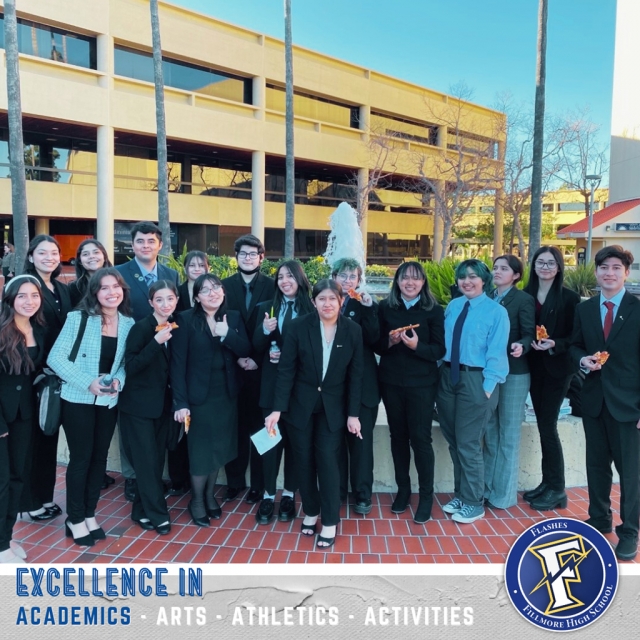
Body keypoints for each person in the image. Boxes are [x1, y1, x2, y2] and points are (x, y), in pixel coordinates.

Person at [265, 280, 363, 549]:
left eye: (333, 298)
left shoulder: (352, 331)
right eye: (322, 298)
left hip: (333, 410)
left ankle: (330, 520)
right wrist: (277, 410)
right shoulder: (298, 327)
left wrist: (353, 415)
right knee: (303, 461)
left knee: (328, 463)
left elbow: (356, 376)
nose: (327, 303)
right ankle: (311, 510)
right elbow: (286, 371)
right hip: (301, 407)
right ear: (314, 301)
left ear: (341, 301)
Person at [47, 268, 134, 546]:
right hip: (78, 399)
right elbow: (55, 358)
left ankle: (89, 513)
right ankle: (74, 518)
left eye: (116, 286)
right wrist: (88, 382)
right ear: (95, 292)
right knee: (81, 459)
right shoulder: (78, 318)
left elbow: (124, 364)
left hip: (108, 401)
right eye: (104, 288)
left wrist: (118, 382)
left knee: (99, 460)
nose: (112, 292)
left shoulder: (128, 323)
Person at [570, 245, 640, 561]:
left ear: (626, 272)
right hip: (594, 402)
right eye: (603, 267)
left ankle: (630, 532)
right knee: (596, 467)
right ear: (596, 272)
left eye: (616, 267)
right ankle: (599, 518)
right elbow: (574, 346)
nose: (609, 273)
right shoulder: (585, 310)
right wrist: (582, 360)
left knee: (631, 472)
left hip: (629, 407)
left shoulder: (637, 309)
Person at [171, 274, 251, 527]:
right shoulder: (184, 320)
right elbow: (177, 365)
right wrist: (180, 402)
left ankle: (209, 495)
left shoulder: (233, 317)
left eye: (217, 288)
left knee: (219, 447)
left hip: (226, 395)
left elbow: (245, 350)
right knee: (200, 450)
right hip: (197, 399)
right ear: (196, 297)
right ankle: (196, 500)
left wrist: (227, 334)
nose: (213, 293)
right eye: (205, 290)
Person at [437, 259, 509, 524]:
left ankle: (474, 502)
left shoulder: (496, 312)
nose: (467, 281)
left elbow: (497, 352)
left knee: (468, 444)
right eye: (462, 277)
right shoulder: (454, 307)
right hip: (448, 378)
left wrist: (487, 389)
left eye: (472, 276)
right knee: (455, 442)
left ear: (483, 279)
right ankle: (461, 494)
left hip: (476, 381)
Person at [377, 262, 445, 524]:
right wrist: (390, 342)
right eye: (405, 278)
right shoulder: (386, 308)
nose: (410, 282)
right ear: (397, 281)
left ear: (423, 282)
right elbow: (377, 345)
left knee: (421, 439)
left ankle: (426, 496)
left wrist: (418, 346)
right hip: (392, 382)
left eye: (416, 279)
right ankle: (403, 490)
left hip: (422, 384)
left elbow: (439, 350)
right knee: (398, 437)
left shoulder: (433, 310)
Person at [116, 222, 179, 501]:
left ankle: (153, 478)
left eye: (150, 241)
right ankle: (132, 477)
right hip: (132, 349)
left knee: (156, 422)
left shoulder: (171, 274)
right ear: (133, 245)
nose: (145, 246)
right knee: (132, 421)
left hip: (163, 351)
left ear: (160, 245)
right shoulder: (120, 274)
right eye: (140, 241)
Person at [252, 260, 314, 525]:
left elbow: (316, 350)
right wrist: (265, 335)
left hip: (300, 389)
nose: (285, 281)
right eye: (280, 277)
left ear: (300, 279)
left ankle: (289, 493)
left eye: (290, 276)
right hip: (271, 387)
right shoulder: (266, 309)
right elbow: (254, 346)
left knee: (294, 444)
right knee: (270, 443)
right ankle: (268, 495)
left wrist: (289, 357)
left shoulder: (311, 310)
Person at [119, 281, 178, 536]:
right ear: (151, 302)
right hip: (138, 407)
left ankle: (140, 511)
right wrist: (155, 342)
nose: (166, 304)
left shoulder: (177, 327)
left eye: (170, 299)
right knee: (146, 461)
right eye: (160, 300)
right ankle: (158, 514)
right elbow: (130, 366)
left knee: (155, 462)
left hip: (163, 406)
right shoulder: (141, 328)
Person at [523, 246, 580, 511]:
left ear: (559, 267)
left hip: (558, 370)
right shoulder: (525, 295)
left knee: (548, 425)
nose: (545, 267)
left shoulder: (569, 298)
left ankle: (557, 489)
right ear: (533, 266)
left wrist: (554, 343)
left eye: (551, 263)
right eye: (540, 262)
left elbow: (576, 338)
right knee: (545, 426)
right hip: (534, 369)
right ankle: (548, 484)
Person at [21, 235, 72, 522]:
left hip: (56, 373)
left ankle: (43, 496)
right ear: (31, 256)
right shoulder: (27, 287)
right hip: (34, 371)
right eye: (43, 253)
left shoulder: (61, 288)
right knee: (31, 440)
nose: (49, 257)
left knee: (48, 434)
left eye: (54, 252)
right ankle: (28, 503)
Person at [221, 235, 275, 504]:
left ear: (261, 258)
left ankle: (259, 485)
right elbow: (218, 324)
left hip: (262, 369)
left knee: (260, 428)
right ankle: (234, 481)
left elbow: (276, 327)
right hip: (233, 368)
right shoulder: (223, 286)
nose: (248, 258)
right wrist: (239, 356)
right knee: (235, 427)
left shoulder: (273, 286)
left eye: (253, 254)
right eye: (243, 253)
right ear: (236, 256)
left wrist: (255, 357)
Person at [483, 255, 535, 509]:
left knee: (509, 433)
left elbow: (528, 334)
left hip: (514, 372)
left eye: (504, 268)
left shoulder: (523, 300)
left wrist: (521, 346)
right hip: (488, 372)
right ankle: (487, 487)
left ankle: (503, 496)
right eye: (495, 268)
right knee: (490, 430)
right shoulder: (486, 297)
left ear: (516, 275)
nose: (497, 272)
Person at [0, 275, 45, 563]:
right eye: (22, 296)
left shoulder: (39, 328)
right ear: (10, 299)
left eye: (35, 295)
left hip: (25, 416)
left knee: (18, 478)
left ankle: (6, 537)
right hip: (1, 418)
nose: (29, 301)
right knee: (2, 481)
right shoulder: (2, 329)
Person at [332, 258, 380, 515]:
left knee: (361, 444)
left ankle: (362, 494)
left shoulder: (366, 304)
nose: (348, 280)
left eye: (353, 276)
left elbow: (374, 339)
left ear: (359, 280)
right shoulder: (326, 302)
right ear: (334, 276)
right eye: (343, 275)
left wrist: (371, 309)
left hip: (364, 384)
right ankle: (338, 491)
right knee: (335, 442)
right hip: (334, 385)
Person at [69, 239, 113, 308]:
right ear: (80, 261)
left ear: (104, 257)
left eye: (96, 252)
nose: (92, 256)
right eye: (85, 254)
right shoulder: (73, 288)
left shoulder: (118, 283)